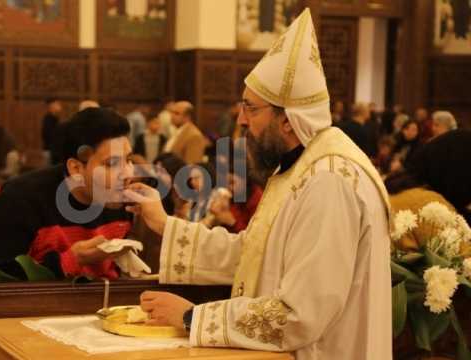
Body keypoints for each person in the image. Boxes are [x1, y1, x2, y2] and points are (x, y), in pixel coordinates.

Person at [124, 9, 392, 359]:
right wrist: (162, 223)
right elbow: (253, 254)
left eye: (251, 109)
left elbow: (300, 314)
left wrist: (193, 316)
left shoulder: (329, 183)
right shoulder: (300, 170)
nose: (241, 120)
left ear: (287, 119)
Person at [0, 107, 135, 281]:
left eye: (129, 160)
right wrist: (72, 260)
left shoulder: (121, 201)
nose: (128, 173)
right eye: (112, 163)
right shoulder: (18, 200)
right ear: (76, 168)